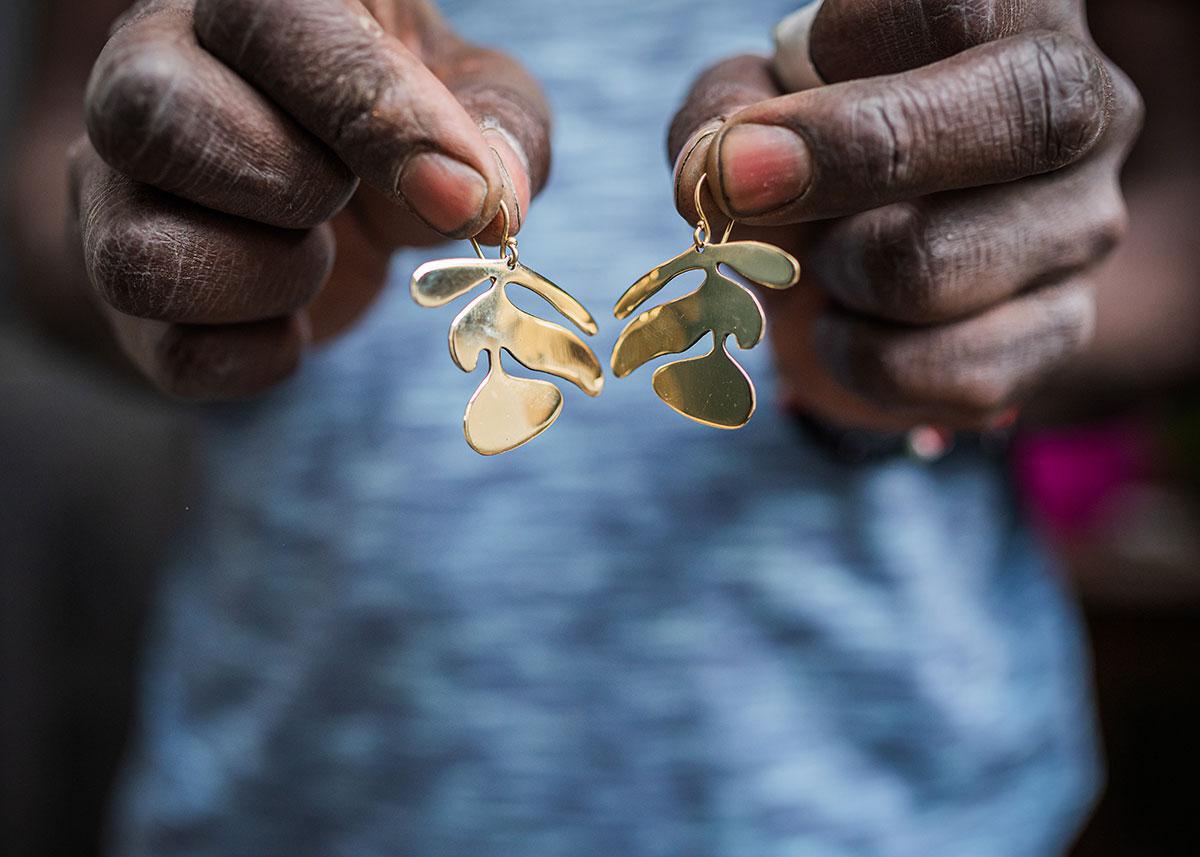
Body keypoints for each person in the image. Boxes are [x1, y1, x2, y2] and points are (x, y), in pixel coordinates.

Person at [7, 0, 1195, 853]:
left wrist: (981, 308)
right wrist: (152, 229)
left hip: (897, 800)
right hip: (294, 782)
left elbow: (1172, 204)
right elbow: (63, 150)